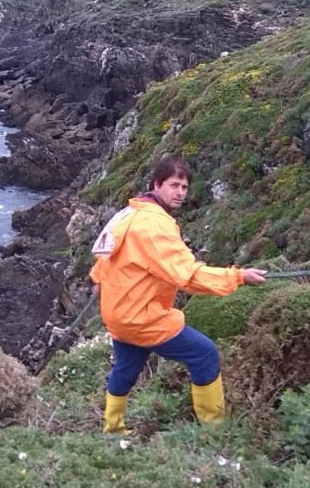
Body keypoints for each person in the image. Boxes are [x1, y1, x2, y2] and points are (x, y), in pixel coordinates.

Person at [90, 156, 267, 434]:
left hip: (118, 313)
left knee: (126, 367)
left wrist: (99, 282)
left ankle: (112, 430)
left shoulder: (128, 214)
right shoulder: (156, 226)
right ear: (156, 185)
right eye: (174, 185)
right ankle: (214, 429)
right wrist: (238, 277)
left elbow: (103, 257)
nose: (180, 193)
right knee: (204, 353)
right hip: (143, 317)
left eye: (184, 187)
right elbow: (187, 275)